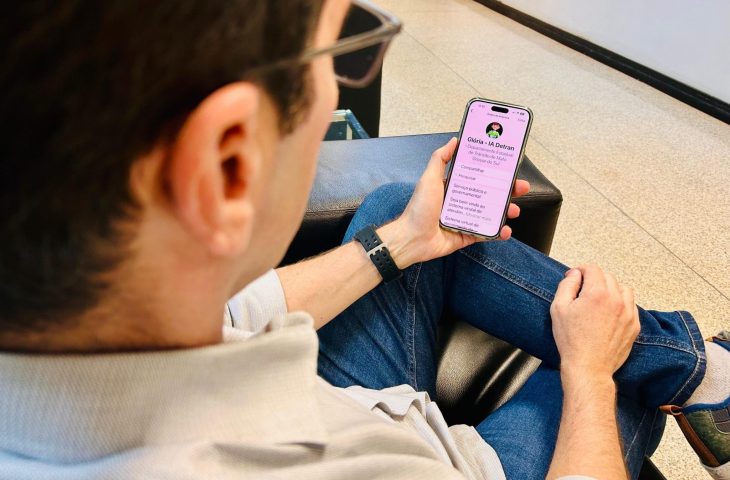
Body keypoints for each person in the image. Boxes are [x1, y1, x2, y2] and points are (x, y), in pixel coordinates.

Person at [0, 1, 727, 479]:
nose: (334, 93)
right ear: (227, 164)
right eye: (334, 54)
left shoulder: (85, 324)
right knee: (620, 370)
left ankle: (702, 376)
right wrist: (591, 373)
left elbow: (239, 311)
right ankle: (703, 379)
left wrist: (403, 241)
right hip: (443, 458)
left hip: (315, 398)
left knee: (393, 208)